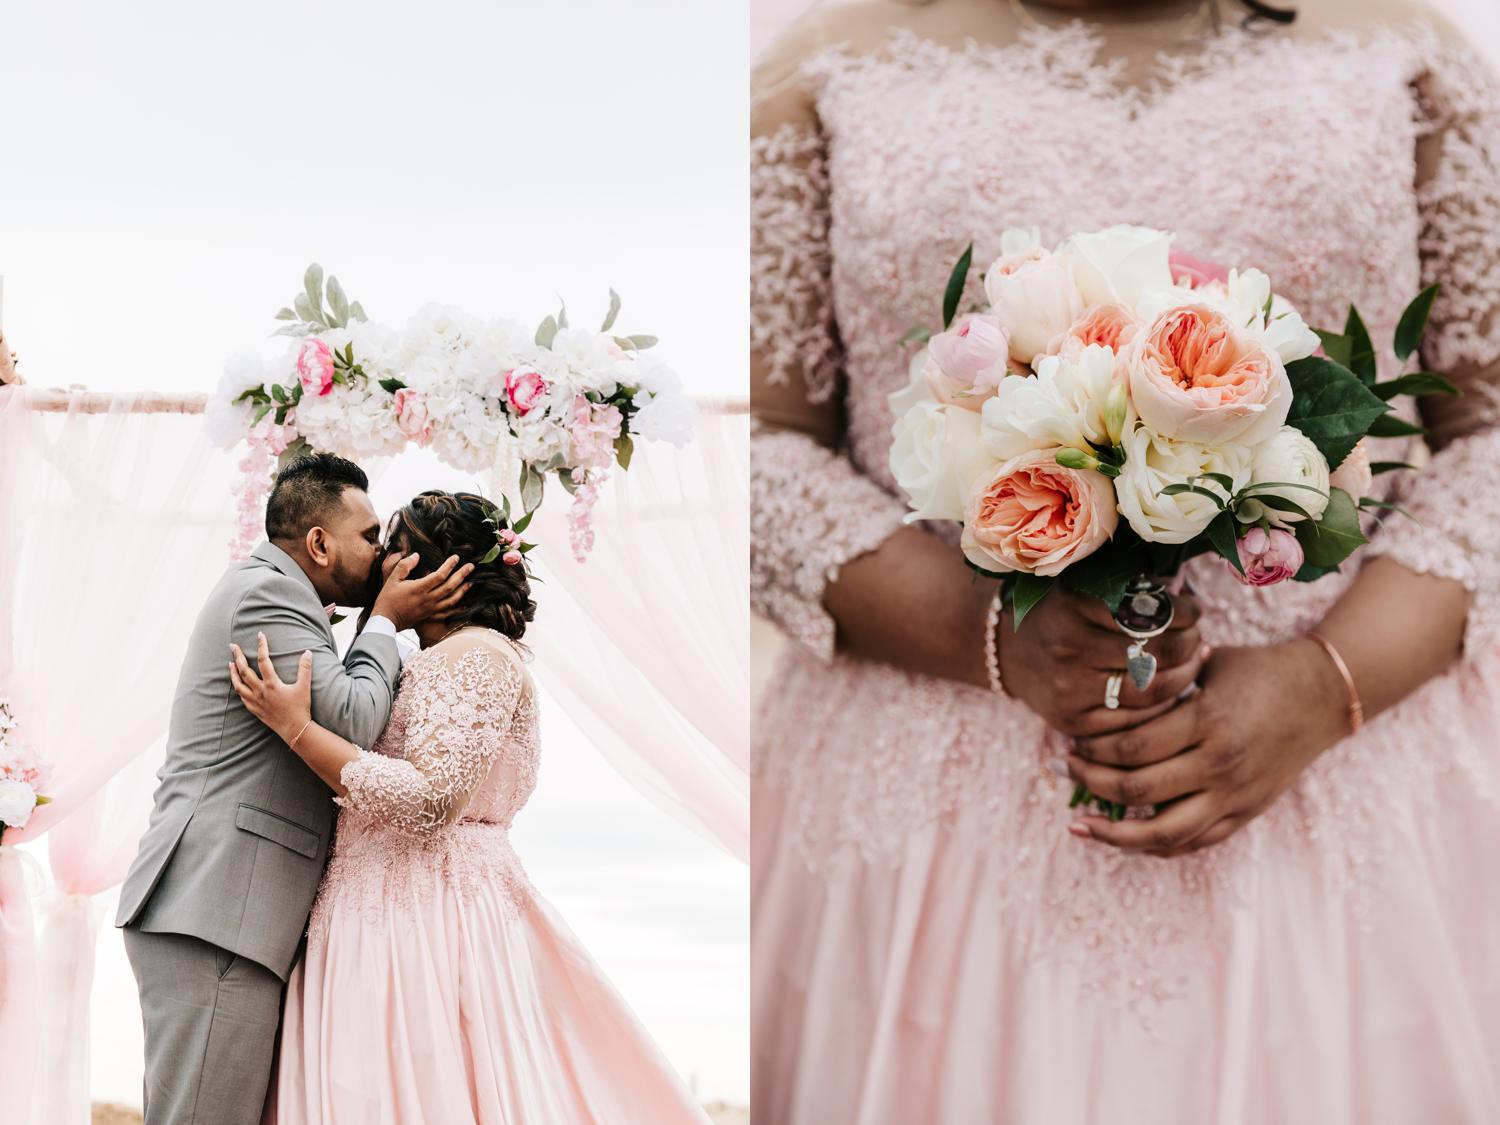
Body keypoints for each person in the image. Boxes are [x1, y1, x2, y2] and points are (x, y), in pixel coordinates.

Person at [750, 0, 1500, 1120]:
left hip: (1356, 763)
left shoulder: (1409, 53)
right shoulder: (824, 67)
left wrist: (1326, 682)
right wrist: (987, 632)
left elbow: (1486, 430)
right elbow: (765, 445)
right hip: (933, 798)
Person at [229, 490, 710, 1124]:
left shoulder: (476, 656)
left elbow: (432, 802)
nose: (378, 565)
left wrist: (297, 729)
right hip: (373, 905)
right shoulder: (427, 659)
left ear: (444, 570)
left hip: (427, 913)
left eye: (394, 550)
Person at [116, 453, 472, 1125]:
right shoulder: (269, 593)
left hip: (227, 912)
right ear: (318, 542)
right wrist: (386, 622)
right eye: (370, 535)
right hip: (219, 911)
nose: (383, 551)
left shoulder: (280, 592)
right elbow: (354, 722)